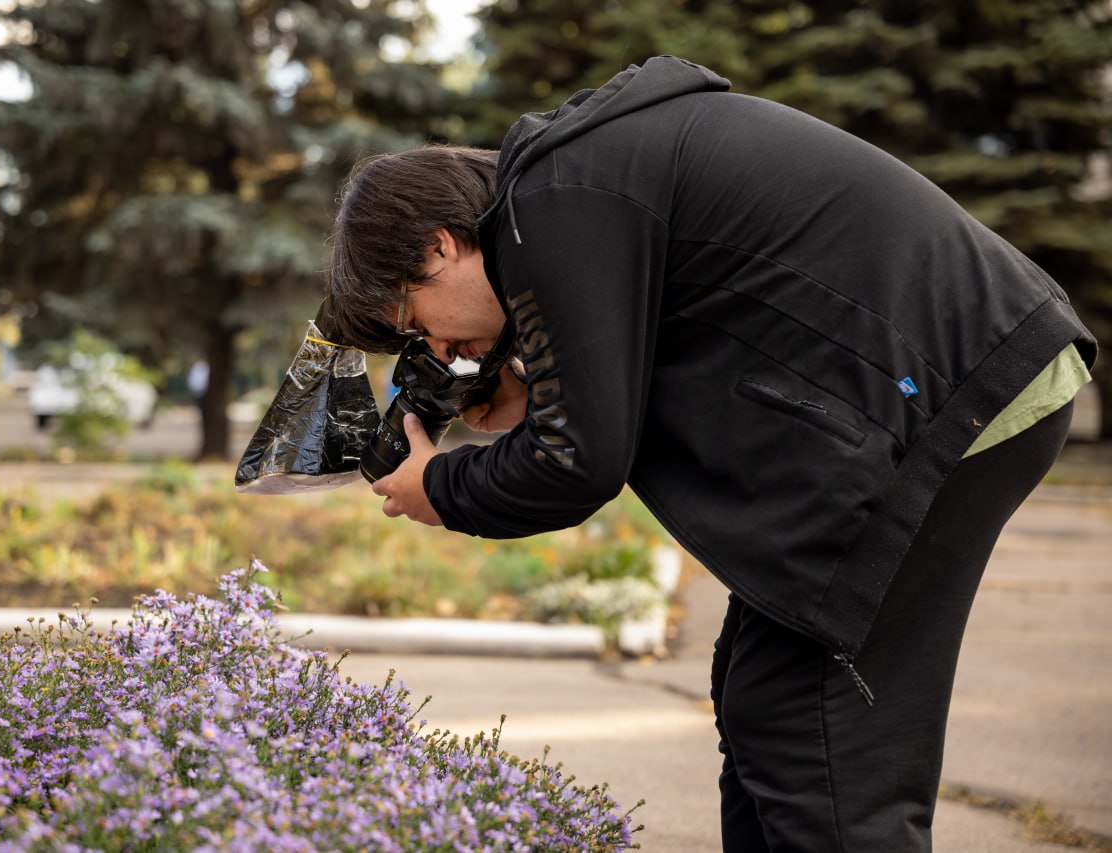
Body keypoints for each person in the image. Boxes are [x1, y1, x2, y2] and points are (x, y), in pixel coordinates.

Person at [324, 56, 1096, 851]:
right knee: (763, 698)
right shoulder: (580, 185)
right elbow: (673, 359)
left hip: (953, 395)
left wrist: (440, 485)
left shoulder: (551, 203)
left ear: (439, 246)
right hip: (951, 380)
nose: (439, 348)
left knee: (812, 731)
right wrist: (532, 391)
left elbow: (579, 461)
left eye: (415, 321)